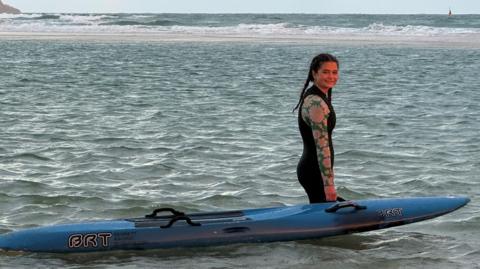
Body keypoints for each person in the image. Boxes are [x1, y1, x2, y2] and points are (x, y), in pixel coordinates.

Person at [294, 53, 343, 203]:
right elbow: (322, 147)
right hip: (313, 173)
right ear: (314, 74)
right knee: (332, 215)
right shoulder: (316, 103)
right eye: (325, 72)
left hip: (315, 171)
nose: (331, 76)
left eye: (334, 72)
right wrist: (329, 186)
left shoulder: (319, 97)